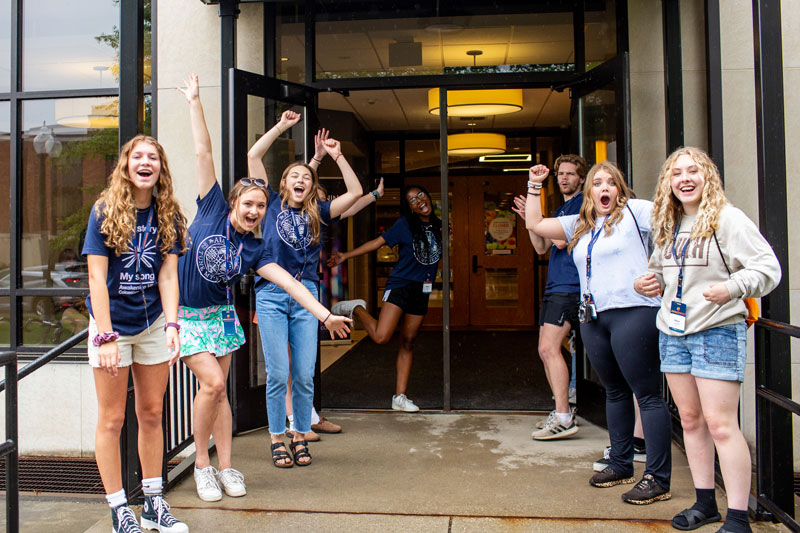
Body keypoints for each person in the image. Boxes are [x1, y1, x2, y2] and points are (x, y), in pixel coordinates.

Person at [176, 76, 351, 497]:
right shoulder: (212, 208)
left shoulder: (254, 250)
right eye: (248, 204)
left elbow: (291, 283)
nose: (254, 211)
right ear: (234, 202)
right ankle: (203, 465)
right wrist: (195, 101)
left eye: (259, 206)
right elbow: (204, 151)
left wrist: (325, 314)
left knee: (220, 396)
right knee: (214, 387)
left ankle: (228, 466)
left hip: (220, 316)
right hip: (186, 315)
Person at [634, 147, 781, 532]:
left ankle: (736, 518)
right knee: (691, 420)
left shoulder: (727, 219)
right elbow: (660, 274)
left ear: (707, 177)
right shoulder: (667, 223)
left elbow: (768, 268)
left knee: (720, 425)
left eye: (693, 171)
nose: (685, 178)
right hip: (673, 331)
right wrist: (646, 283)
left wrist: (731, 288)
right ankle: (705, 505)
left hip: (716, 329)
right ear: (668, 181)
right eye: (676, 173)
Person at [525, 161, 672, 505]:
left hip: (633, 312)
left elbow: (675, 227)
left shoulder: (636, 213)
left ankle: (657, 476)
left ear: (619, 189)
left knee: (647, 394)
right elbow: (534, 224)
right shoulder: (581, 223)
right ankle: (621, 463)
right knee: (615, 392)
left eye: (611, 183)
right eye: (598, 183)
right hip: (593, 316)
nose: (604, 188)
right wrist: (534, 185)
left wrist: (662, 273)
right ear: (589, 192)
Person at [84, 134, 189, 533]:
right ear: (126, 165)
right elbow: (96, 276)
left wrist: (173, 323)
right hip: (111, 326)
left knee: (151, 413)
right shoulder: (105, 210)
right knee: (111, 419)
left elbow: (167, 275)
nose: (146, 163)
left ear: (161, 168)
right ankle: (118, 509)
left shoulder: (170, 215)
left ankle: (153, 503)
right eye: (138, 156)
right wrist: (106, 336)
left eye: (154, 158)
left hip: (152, 325)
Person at [247, 111, 362, 468]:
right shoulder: (270, 203)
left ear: (312, 187)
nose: (300, 180)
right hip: (271, 293)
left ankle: (299, 434)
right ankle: (277, 437)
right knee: (278, 372)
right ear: (283, 183)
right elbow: (253, 157)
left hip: (307, 296)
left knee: (304, 373)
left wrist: (337, 155)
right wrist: (282, 127)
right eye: (293, 176)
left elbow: (357, 192)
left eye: (306, 178)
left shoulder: (321, 212)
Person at [283, 141, 387, 441]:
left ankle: (308, 416)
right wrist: (316, 159)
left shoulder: (321, 214)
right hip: (279, 293)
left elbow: (353, 203)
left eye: (322, 196)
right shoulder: (282, 212)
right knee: (288, 364)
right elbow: (299, 180)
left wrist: (376, 194)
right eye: (315, 194)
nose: (317, 198)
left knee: (304, 362)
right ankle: (293, 421)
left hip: (308, 290)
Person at [328, 185, 443, 413]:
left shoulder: (439, 226)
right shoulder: (405, 224)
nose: (419, 200)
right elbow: (377, 243)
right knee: (381, 337)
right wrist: (345, 256)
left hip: (422, 289)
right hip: (400, 285)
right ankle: (357, 309)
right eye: (412, 200)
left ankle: (399, 397)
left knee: (408, 341)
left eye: (421, 195)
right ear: (409, 207)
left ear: (428, 196)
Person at [512, 154, 586, 440]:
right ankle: (562, 410)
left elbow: (560, 239)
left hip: (570, 287)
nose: (564, 178)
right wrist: (530, 222)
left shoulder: (582, 206)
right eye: (561, 174)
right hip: (555, 286)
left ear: (581, 178)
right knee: (547, 350)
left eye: (570, 174)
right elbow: (542, 246)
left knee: (548, 349)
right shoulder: (562, 207)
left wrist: (539, 221)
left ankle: (565, 416)